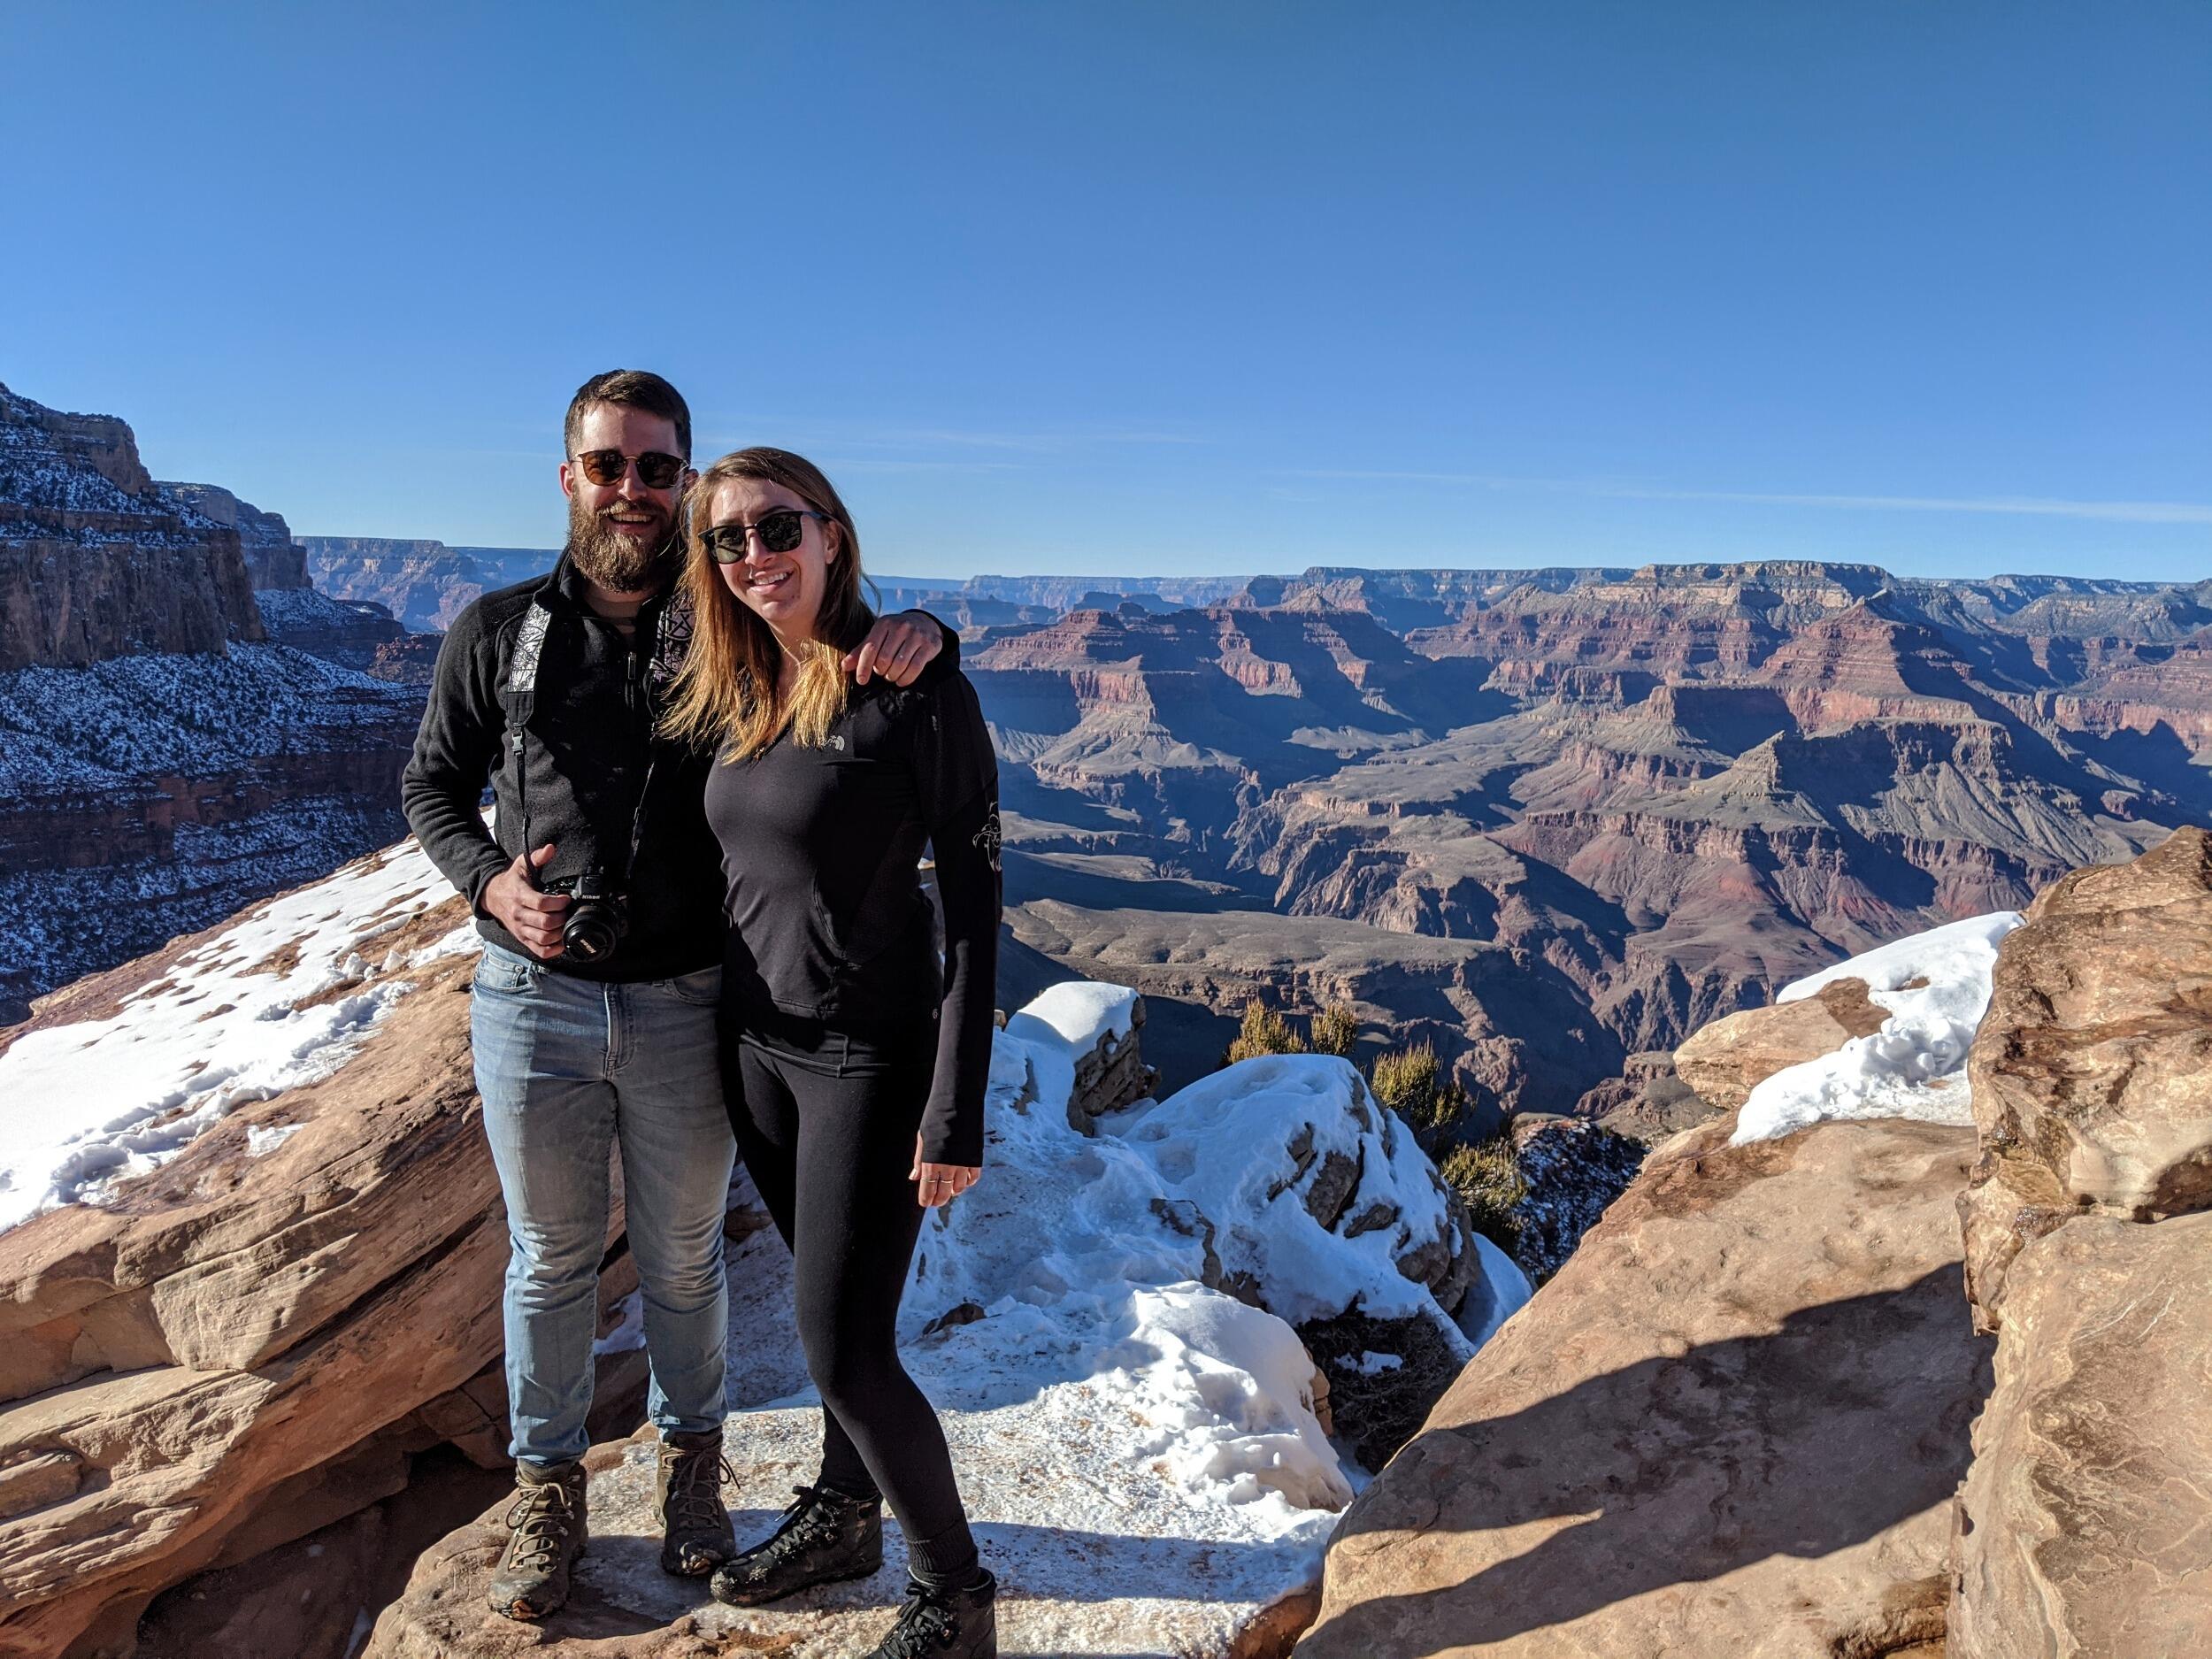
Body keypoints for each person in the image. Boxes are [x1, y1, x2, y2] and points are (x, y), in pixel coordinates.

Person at [401, 373, 949, 1622]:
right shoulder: (497, 631)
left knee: (684, 1259)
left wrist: (928, 632)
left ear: (686, 482)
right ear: (570, 478)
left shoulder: (727, 626)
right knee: (548, 1260)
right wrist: (491, 886)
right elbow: (431, 786)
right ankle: (548, 1491)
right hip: (532, 1001)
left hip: (688, 1001)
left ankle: (691, 1473)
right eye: (610, 465)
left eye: (659, 469)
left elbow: (843, 644)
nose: (634, 490)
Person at [658, 448, 1001, 1659]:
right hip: (757, 1051)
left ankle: (955, 1598)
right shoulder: (738, 682)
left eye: (777, 527)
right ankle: (847, 1518)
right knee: (832, 1308)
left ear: (831, 533)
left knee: (849, 1354)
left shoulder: (912, 687)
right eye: (727, 538)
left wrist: (955, 1108)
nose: (755, 555)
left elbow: (975, 909)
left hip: (868, 1056)